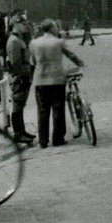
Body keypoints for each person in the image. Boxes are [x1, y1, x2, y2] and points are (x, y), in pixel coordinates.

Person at [30, 18, 84, 149]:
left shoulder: (34, 43)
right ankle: (58, 139)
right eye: (55, 27)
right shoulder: (59, 42)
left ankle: (43, 141)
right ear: (52, 29)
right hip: (57, 79)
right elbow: (71, 55)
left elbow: (33, 61)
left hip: (41, 80)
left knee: (42, 111)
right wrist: (80, 64)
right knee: (58, 109)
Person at [6, 15, 36, 144]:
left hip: (23, 76)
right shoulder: (14, 41)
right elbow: (16, 62)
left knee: (20, 105)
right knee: (17, 105)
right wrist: (22, 77)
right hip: (20, 77)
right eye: (23, 24)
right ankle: (18, 133)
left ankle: (22, 131)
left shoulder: (18, 39)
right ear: (15, 25)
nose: (25, 26)